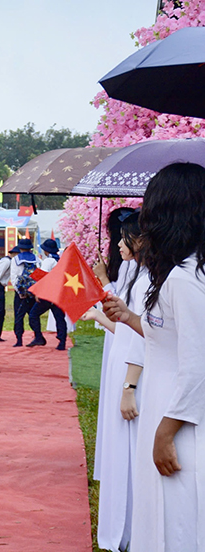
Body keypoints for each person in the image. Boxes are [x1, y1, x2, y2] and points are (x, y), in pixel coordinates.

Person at [102, 163, 205, 551]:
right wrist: (130, 318)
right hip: (167, 414)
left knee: (178, 525)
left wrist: (166, 431)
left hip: (182, 426)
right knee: (157, 517)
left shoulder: (187, 278)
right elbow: (171, 340)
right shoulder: (179, 272)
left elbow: (198, 363)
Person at [82, 209, 146, 552]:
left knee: (130, 450)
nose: (119, 244)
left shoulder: (150, 276)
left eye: (124, 238)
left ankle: (128, 530)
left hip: (131, 370)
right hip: (121, 360)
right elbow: (124, 323)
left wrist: (129, 386)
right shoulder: (136, 271)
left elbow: (138, 331)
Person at [27, 239, 67, 350]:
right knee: (59, 317)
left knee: (33, 315)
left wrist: (38, 292)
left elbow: (41, 277)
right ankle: (62, 341)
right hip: (58, 293)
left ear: (45, 250)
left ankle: (39, 337)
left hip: (48, 293)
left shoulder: (48, 261)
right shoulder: (60, 260)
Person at [10, 238, 38, 347]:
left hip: (21, 293)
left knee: (18, 316)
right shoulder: (36, 259)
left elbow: (14, 277)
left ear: (20, 248)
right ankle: (37, 336)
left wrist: (19, 291)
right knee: (33, 315)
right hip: (33, 292)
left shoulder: (15, 259)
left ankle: (19, 340)